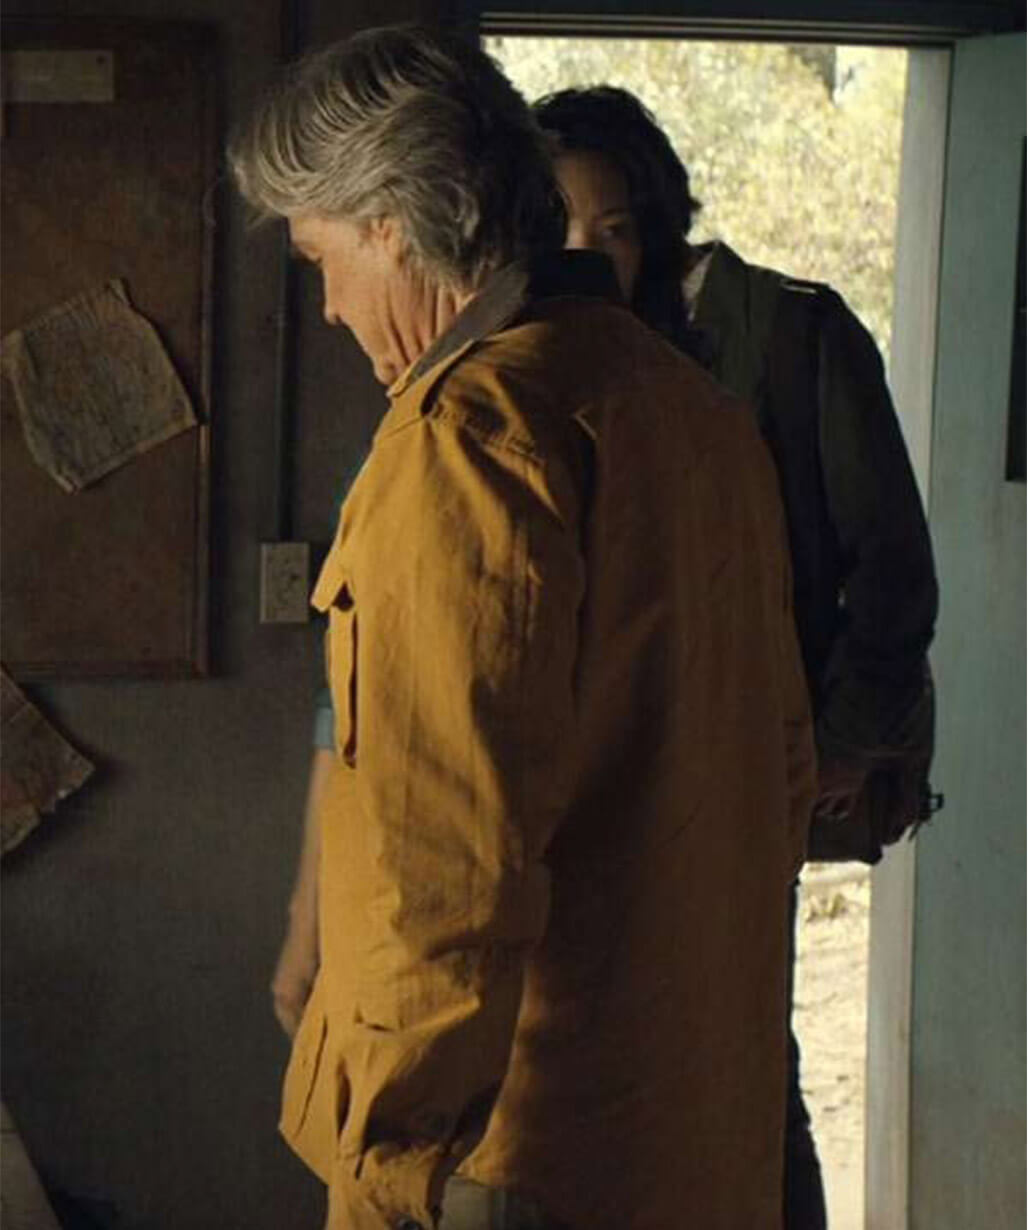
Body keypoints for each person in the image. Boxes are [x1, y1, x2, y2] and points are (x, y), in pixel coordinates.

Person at [232, 26, 816, 1230]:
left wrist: (380, 1169)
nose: (329, 309)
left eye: (320, 258)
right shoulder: (690, 409)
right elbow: (781, 770)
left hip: (517, 1144)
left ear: (390, 223)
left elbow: (442, 867)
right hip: (698, 1127)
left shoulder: (467, 439)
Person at [531, 84, 939, 1229]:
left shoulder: (788, 334)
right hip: (608, 785)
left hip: (752, 768)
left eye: (612, 227)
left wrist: (838, 745)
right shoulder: (553, 354)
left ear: (658, 223)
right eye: (557, 228)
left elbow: (892, 566)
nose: (584, 254)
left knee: (748, 1056)